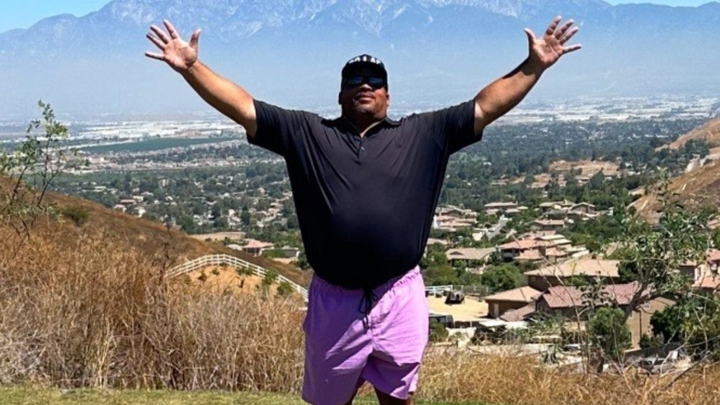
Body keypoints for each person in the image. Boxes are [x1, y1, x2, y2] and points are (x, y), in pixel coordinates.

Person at [145, 15, 581, 405]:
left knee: (398, 397)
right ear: (340, 94)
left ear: (388, 95)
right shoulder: (307, 133)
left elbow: (485, 106)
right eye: (354, 80)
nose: (365, 85)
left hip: (399, 294)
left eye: (374, 80)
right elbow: (244, 107)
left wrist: (534, 66)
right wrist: (191, 68)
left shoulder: (423, 134)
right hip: (334, 300)